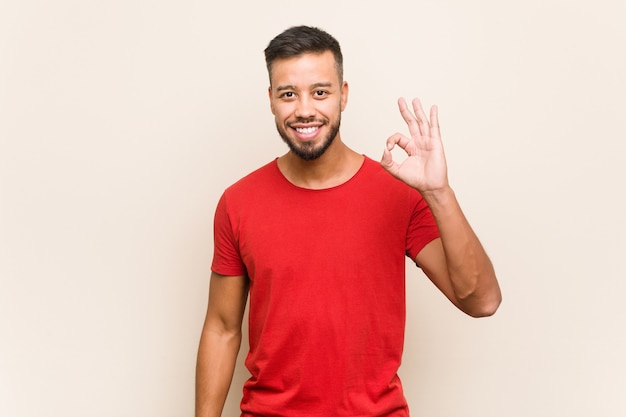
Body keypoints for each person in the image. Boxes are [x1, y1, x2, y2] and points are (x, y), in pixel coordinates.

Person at [195, 25, 502, 417]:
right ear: (271, 100)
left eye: (320, 92)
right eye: (289, 94)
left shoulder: (398, 193)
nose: (304, 109)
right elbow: (221, 329)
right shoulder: (237, 203)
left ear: (344, 95)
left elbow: (482, 301)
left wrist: (439, 193)